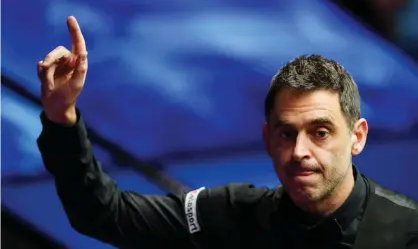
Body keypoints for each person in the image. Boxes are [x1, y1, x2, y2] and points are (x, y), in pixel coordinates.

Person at [37, 16, 417, 249]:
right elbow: (104, 215)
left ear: (358, 136)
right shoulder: (232, 216)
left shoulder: (408, 232)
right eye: (286, 134)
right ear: (267, 139)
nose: (300, 150)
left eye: (320, 132)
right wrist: (61, 116)